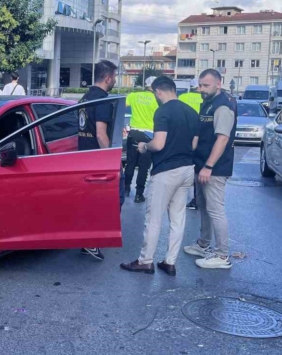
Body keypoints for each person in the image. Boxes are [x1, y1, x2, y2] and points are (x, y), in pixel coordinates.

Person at [120, 76, 198, 276]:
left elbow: (159, 144)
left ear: (158, 91)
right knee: (177, 219)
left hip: (165, 171)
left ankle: (145, 261)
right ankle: (170, 262)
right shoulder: (190, 111)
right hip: (187, 168)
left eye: (155, 93)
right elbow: (195, 144)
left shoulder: (162, 111)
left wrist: (144, 146)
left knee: (153, 218)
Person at [184, 69, 237, 270]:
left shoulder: (223, 106)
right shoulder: (208, 103)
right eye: (200, 85)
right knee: (203, 207)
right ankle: (203, 244)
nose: (201, 89)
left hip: (214, 168)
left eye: (205, 85)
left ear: (218, 84)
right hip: (201, 164)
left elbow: (222, 138)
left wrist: (208, 166)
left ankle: (222, 256)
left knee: (215, 210)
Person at [78, 60, 119, 261]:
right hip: (96, 158)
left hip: (83, 156)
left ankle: (86, 240)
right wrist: (110, 160)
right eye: (114, 77)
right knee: (103, 201)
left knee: (88, 201)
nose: (115, 81)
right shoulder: (102, 99)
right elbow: (101, 134)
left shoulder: (86, 96)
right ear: (108, 77)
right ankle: (91, 242)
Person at [123, 76, 159, 203]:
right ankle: (139, 194)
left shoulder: (134, 95)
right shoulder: (157, 99)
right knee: (144, 167)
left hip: (134, 133)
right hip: (148, 135)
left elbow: (123, 106)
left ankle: (126, 188)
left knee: (130, 163)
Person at [179, 78, 203, 210]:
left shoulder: (183, 97)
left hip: (185, 135)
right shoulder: (204, 99)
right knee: (198, 167)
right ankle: (197, 198)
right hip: (200, 135)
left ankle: (179, 197)